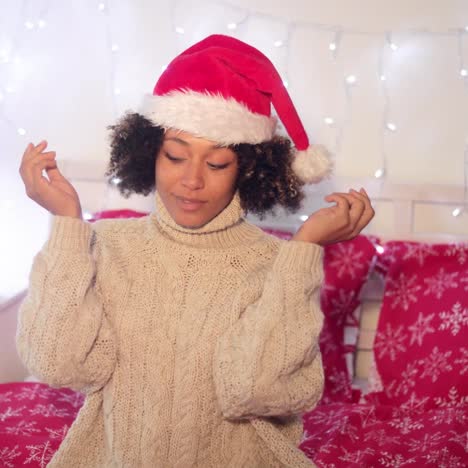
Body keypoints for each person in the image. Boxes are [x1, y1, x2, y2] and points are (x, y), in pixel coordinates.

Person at [17, 34, 374, 467]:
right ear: (149, 155)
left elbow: (255, 389)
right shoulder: (103, 245)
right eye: (175, 156)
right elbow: (59, 364)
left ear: (247, 169)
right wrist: (68, 224)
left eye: (217, 163)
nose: (192, 181)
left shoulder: (277, 265)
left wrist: (303, 250)